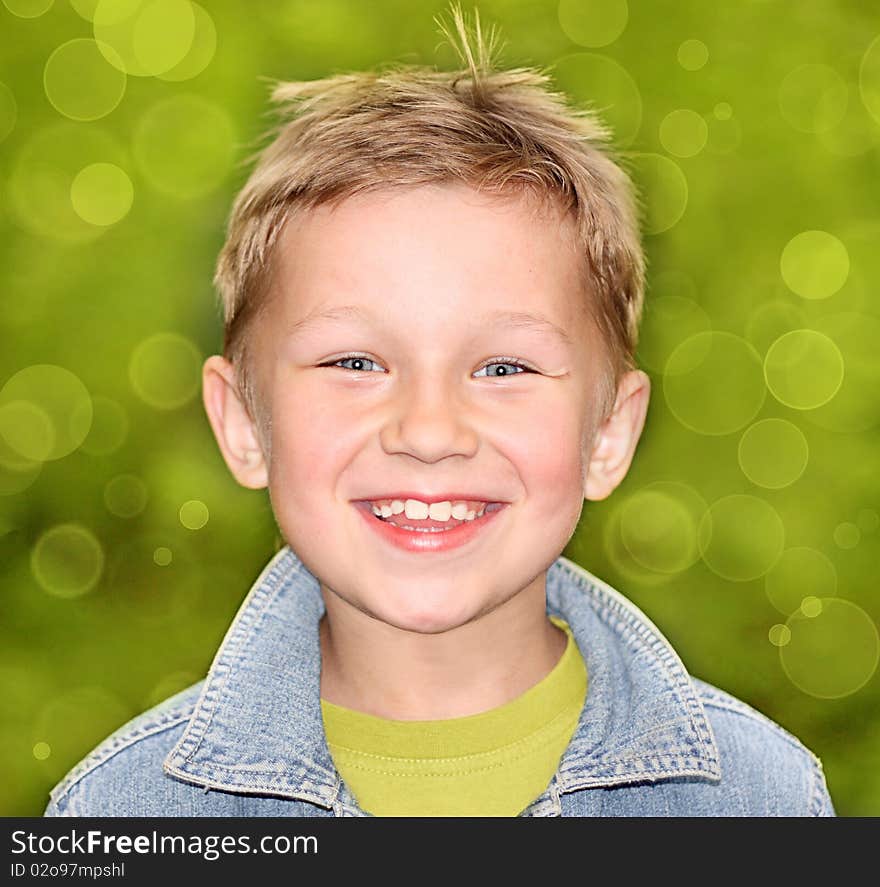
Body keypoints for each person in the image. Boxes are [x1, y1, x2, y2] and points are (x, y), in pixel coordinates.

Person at [44, 6, 834, 817]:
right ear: (243, 423)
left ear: (609, 433)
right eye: (354, 362)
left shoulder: (761, 798)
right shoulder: (122, 812)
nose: (427, 432)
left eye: (502, 366)